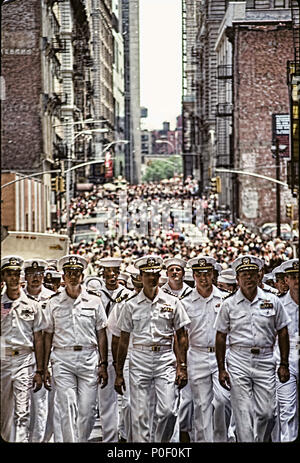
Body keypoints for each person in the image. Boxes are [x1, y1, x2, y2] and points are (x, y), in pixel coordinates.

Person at [215, 254, 290, 442]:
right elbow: (221, 336)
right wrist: (222, 368)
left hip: (265, 360)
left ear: (259, 276)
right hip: (239, 360)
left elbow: (282, 332)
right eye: (243, 274)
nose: (248, 278)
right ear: (237, 278)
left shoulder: (272, 300)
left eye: (251, 274)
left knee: (268, 413)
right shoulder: (229, 304)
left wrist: (284, 363)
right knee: (243, 413)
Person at [115, 255, 190, 442]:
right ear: (140, 276)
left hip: (165, 358)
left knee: (168, 411)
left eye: (155, 274)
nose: (152, 278)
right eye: (147, 275)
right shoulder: (130, 305)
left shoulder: (172, 302)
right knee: (140, 414)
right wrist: (118, 372)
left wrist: (182, 366)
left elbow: (181, 336)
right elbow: (123, 340)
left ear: (160, 275)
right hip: (140, 357)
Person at [43, 254, 108, 442]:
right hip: (63, 359)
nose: (73, 276)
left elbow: (101, 334)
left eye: (77, 273)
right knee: (67, 407)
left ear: (83, 276)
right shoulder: (53, 303)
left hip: (89, 358)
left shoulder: (94, 301)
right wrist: (45, 366)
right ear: (63, 277)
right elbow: (48, 335)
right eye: (69, 273)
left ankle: (82, 439)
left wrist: (103, 363)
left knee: (88, 411)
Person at [180, 256, 232, 442]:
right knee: (202, 405)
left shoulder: (225, 299)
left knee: (223, 401)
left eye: (207, 274)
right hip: (197, 355)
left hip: (221, 356)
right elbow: (182, 337)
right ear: (194, 276)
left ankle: (220, 439)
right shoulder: (185, 302)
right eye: (199, 274)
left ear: (213, 275)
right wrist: (182, 364)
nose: (204, 278)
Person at [1, 255, 47, 442]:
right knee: (4, 413)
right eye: (9, 274)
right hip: (3, 360)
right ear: (3, 276)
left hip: (24, 361)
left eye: (16, 273)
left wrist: (41, 369)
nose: (13, 278)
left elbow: (39, 339)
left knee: (22, 411)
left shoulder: (33, 305)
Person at [97, 257, 134, 442]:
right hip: (103, 350)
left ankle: (126, 434)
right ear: (102, 275)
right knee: (106, 399)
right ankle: (109, 439)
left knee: (127, 399)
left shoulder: (129, 295)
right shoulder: (96, 295)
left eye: (115, 273)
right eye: (108, 274)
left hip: (124, 350)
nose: (112, 277)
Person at [23, 259, 55, 443]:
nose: (36, 278)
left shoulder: (53, 297)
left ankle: (42, 439)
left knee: (43, 404)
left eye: (39, 274)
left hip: (47, 356)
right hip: (24, 355)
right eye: (31, 274)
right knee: (23, 404)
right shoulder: (16, 297)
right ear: (25, 277)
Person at [274, 259, 299, 442]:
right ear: (287, 280)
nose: (297, 280)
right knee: (287, 408)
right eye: (293, 277)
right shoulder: (278, 304)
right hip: (286, 359)